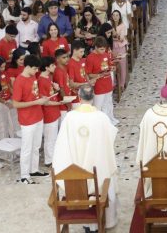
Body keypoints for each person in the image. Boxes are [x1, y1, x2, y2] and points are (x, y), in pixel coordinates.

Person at [51, 85, 119, 230]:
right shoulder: (101, 117)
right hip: (97, 166)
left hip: (75, 169)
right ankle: (103, 221)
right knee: (102, 179)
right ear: (93, 98)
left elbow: (62, 143)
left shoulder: (70, 117)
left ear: (79, 97)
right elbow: (110, 137)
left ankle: (86, 222)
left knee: (76, 178)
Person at [11, 54, 49, 183]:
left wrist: (43, 98)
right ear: (27, 67)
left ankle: (34, 169)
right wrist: (35, 103)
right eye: (34, 68)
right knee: (27, 148)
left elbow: (34, 94)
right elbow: (16, 104)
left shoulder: (33, 76)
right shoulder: (19, 81)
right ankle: (24, 175)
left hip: (38, 116)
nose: (36, 71)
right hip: (27, 120)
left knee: (36, 146)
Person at [86, 37, 117, 124]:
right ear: (95, 47)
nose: (103, 51)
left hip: (107, 83)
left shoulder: (106, 54)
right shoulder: (90, 58)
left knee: (107, 104)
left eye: (104, 49)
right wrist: (99, 75)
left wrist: (112, 67)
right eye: (101, 49)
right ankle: (98, 124)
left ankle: (107, 122)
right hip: (99, 86)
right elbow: (88, 74)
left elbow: (110, 64)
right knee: (98, 107)